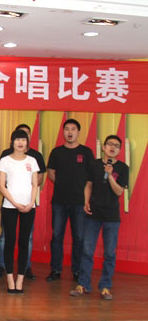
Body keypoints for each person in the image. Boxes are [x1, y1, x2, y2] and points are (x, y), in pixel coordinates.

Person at [70, 135, 128, 300]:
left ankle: (105, 287)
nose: (112, 147)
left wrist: (110, 175)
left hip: (111, 216)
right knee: (87, 250)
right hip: (93, 214)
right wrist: (86, 201)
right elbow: (88, 185)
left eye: (116, 145)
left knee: (109, 253)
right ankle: (83, 285)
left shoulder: (123, 168)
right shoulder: (94, 164)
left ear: (119, 150)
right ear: (103, 147)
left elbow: (119, 191)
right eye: (110, 144)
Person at [0, 124, 46, 280]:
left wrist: (31, 203)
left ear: (27, 141)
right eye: (17, 139)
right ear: (12, 142)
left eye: (23, 139)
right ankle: (8, 276)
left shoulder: (33, 160)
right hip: (10, 205)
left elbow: (35, 184)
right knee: (9, 240)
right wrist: (15, 203)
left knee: (25, 241)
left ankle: (22, 276)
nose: (20, 142)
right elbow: (2, 186)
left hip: (29, 206)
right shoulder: (5, 160)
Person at [46, 119, 93, 282]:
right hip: (59, 201)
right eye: (67, 129)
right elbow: (51, 172)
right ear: (63, 132)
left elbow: (90, 177)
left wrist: (86, 197)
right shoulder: (56, 152)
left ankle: (77, 270)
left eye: (73, 129)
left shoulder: (86, 152)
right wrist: (60, 183)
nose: (70, 132)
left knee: (79, 237)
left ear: (78, 132)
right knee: (57, 236)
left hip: (79, 201)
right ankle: (55, 269)